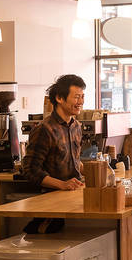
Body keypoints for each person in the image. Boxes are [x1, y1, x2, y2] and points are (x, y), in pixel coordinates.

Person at [22, 74, 86, 233]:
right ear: (59, 98)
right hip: (52, 203)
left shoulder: (76, 126)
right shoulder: (44, 129)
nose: (81, 102)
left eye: (82, 97)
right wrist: (63, 184)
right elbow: (30, 170)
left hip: (73, 198)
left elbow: (75, 161)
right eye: (76, 97)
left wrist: (96, 172)